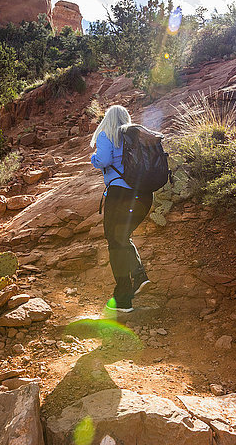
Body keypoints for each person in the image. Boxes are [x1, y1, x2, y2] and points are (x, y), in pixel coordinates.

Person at [90, 105, 153, 313]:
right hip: (144, 195)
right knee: (122, 238)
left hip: (119, 196)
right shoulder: (135, 136)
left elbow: (104, 160)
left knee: (114, 241)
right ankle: (136, 280)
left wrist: (93, 159)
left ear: (107, 119)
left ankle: (124, 296)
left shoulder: (106, 135)